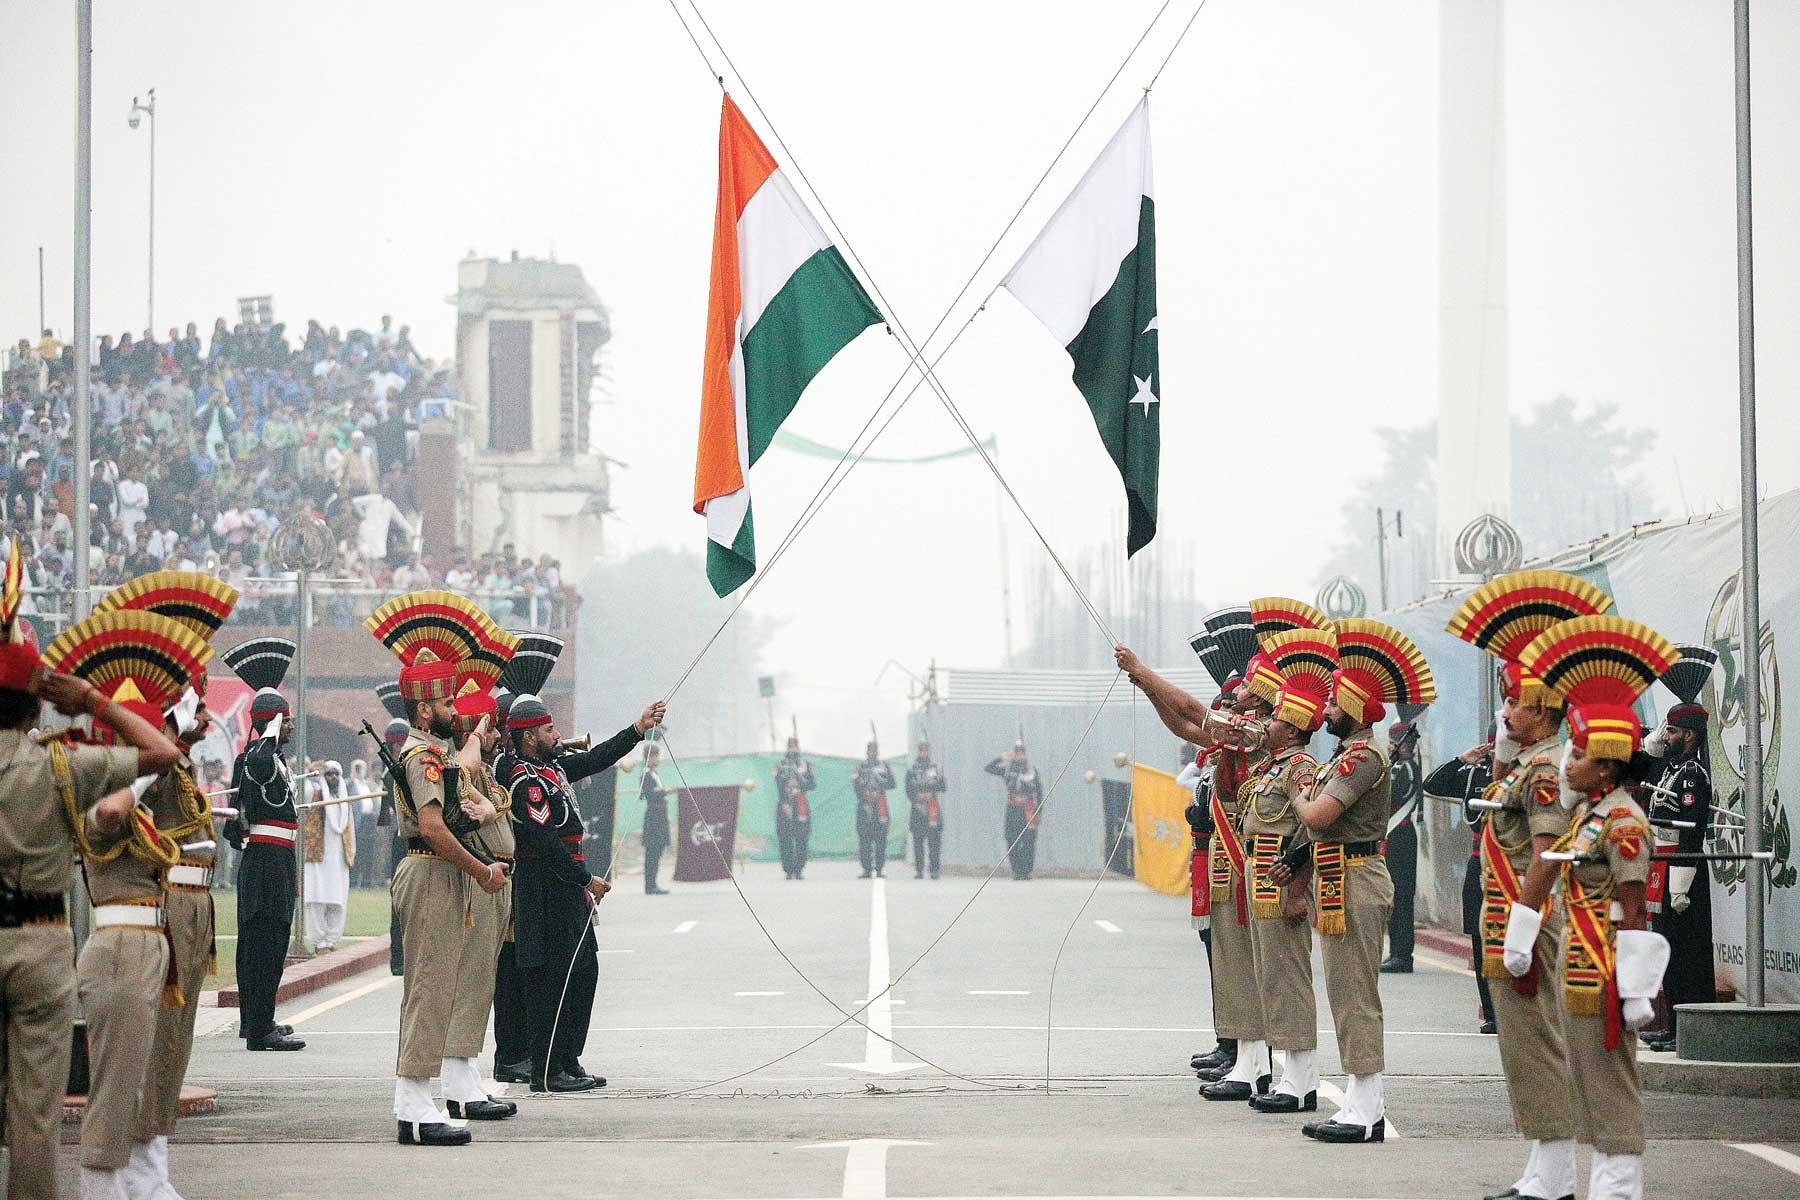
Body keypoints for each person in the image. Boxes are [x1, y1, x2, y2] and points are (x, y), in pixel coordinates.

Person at [1446, 568, 1612, 1200]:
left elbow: (1546, 853)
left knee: (1537, 1044)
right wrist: (1503, 743)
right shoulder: (1530, 761)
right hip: (1515, 914)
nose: (1505, 710)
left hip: (1529, 920)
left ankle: (1554, 1175)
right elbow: (1499, 791)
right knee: (1523, 1045)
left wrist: (1521, 925)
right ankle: (1544, 1167)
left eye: (1514, 701)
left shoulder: (1545, 771)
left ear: (1542, 711)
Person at [0, 641, 175, 1200]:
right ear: (36, 703)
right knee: (35, 1112)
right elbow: (162, 752)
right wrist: (92, 701)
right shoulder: (60, 766)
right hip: (39, 942)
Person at [1516, 615, 1673, 1200]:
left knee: (1610, 1082)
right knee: (1584, 1076)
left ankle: (1619, 1185)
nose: (1567, 764)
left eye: (1579, 755)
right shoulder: (1590, 814)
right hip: (1577, 963)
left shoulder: (1624, 823)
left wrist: (1637, 989)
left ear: (1606, 766)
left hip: (1605, 967)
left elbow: (1634, 910)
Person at [1284, 620, 1435, 1145]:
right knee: (1344, 992)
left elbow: (1318, 816)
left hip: (1356, 877)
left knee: (1355, 995)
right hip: (1336, 875)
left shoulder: (1364, 757)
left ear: (1351, 706)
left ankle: (1367, 1107)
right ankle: (1358, 1100)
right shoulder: (1344, 756)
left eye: (1332, 702)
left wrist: (1298, 791)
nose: (1324, 710)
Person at [1114, 636, 1270, 1095]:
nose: (1235, 698)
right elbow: (1184, 725)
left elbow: (1191, 711)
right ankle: (1242, 1055)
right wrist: (1147, 688)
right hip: (1225, 858)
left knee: (1244, 963)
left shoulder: (1254, 732)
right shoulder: (1240, 731)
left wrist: (1143, 670)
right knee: (1230, 960)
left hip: (1245, 859)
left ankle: (1254, 1060)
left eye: (1244, 690)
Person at [504, 693, 664, 1093]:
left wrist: (638, 729)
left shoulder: (552, 768)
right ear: (528, 737)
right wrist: (583, 880)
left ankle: (567, 1057)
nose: (557, 735)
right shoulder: (525, 780)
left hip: (565, 885)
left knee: (582, 970)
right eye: (548, 729)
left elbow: (596, 759)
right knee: (551, 978)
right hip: (545, 886)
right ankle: (546, 1069)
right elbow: (544, 842)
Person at [386, 653, 509, 1147]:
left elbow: (464, 772)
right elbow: (433, 828)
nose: (453, 710)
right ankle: (413, 1104)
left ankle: (424, 1098)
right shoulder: (422, 758)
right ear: (423, 711)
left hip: (443, 873)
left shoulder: (435, 755)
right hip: (430, 871)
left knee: (442, 988)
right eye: (445, 702)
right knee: (429, 988)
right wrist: (480, 870)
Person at [132, 686, 221, 1200]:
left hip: (195, 903)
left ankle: (154, 1164)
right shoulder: (160, 762)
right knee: (161, 1038)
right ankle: (141, 1167)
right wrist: (164, 732)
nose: (206, 716)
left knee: (177, 1040)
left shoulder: (180, 766)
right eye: (196, 707)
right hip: (172, 901)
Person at [1240, 641, 1326, 1115]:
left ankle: (1301, 1079)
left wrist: (1297, 890)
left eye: (1275, 717)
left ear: (1292, 728)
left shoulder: (1301, 769)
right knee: (1269, 975)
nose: (1268, 722)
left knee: (1288, 975)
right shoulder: (1271, 767)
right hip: (1261, 874)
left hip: (1282, 876)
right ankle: (1289, 1073)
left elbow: (1309, 830)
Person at [224, 671, 306, 1052]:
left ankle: (258, 1020)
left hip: (276, 860)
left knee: (270, 942)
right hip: (266, 863)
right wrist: (269, 733)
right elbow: (257, 763)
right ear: (272, 723)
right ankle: (259, 1029)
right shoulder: (258, 758)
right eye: (284, 720)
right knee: (264, 944)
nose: (290, 726)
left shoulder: (270, 759)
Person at [1640, 702, 1715, 1052]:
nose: (1665, 736)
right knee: (1666, 949)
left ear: (1688, 735)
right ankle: (1672, 1025)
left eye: (1671, 731)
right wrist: (1657, 737)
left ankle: (1689, 1030)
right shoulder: (1670, 768)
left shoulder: (1692, 774)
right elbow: (1646, 757)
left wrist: (1681, 884)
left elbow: (1691, 831)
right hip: (1662, 866)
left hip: (1683, 869)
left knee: (1687, 952)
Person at [1423, 743, 1499, 1034]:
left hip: (1511, 866)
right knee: (1479, 937)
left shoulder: (1524, 774)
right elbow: (1433, 784)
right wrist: (1460, 759)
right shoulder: (1475, 775)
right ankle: (1491, 1011)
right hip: (1479, 862)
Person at [1381, 721, 1424, 974]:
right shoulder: (1396, 767)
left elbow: (1389, 796)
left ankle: (1402, 954)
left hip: (1401, 836)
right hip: (1394, 835)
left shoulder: (1405, 768)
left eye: (1393, 743)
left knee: (1401, 896)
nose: (1390, 747)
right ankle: (1396, 951)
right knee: (1393, 895)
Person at [302, 760, 355, 950]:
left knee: (337, 902)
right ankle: (319, 942)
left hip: (339, 858)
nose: (332, 777)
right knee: (317, 901)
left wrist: (351, 854)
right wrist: (309, 771)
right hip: (317, 856)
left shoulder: (344, 800)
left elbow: (350, 829)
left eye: (335, 774)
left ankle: (332, 941)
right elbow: (302, 789)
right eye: (329, 774)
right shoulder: (313, 794)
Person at [986, 741, 1043, 880]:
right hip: (1013, 808)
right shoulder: (1007, 769)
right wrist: (1001, 757)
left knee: (1029, 840)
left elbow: (1039, 792)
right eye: (1017, 753)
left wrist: (1039, 811)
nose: (1019, 755)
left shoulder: (1032, 771)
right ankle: (1016, 870)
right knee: (1011, 839)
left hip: (1028, 808)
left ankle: (1026, 871)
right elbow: (988, 768)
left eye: (1022, 753)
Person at [773, 737, 816, 881]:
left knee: (802, 838)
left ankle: (799, 869)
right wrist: (786, 776)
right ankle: (788, 870)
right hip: (785, 803)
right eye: (790, 746)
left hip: (800, 804)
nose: (792, 749)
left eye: (794, 746)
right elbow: (777, 781)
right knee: (784, 838)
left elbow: (812, 785)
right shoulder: (780, 764)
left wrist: (799, 777)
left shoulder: (806, 765)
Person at [852, 741, 896, 879]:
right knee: (864, 838)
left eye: (874, 750)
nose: (872, 753)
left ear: (878, 752)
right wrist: (864, 798)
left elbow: (892, 783)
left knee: (880, 839)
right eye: (870, 750)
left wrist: (880, 778)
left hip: (880, 804)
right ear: (866, 752)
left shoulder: (884, 766)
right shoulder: (860, 767)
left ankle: (879, 869)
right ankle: (866, 869)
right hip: (865, 804)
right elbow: (855, 785)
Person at [905, 740, 946, 879]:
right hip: (917, 807)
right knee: (918, 840)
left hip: (932, 806)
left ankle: (934, 869)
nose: (924, 752)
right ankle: (919, 870)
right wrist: (916, 802)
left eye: (926, 750)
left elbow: (942, 788)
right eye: (921, 750)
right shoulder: (912, 770)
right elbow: (908, 790)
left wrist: (941, 779)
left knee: (934, 841)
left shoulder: (935, 769)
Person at [640, 742, 671, 894]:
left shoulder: (654, 773)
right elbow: (650, 794)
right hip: (654, 817)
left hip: (660, 816)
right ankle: (650, 885)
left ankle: (653, 882)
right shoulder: (646, 775)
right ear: (651, 757)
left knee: (658, 850)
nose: (658, 759)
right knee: (652, 850)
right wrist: (664, 791)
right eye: (657, 756)